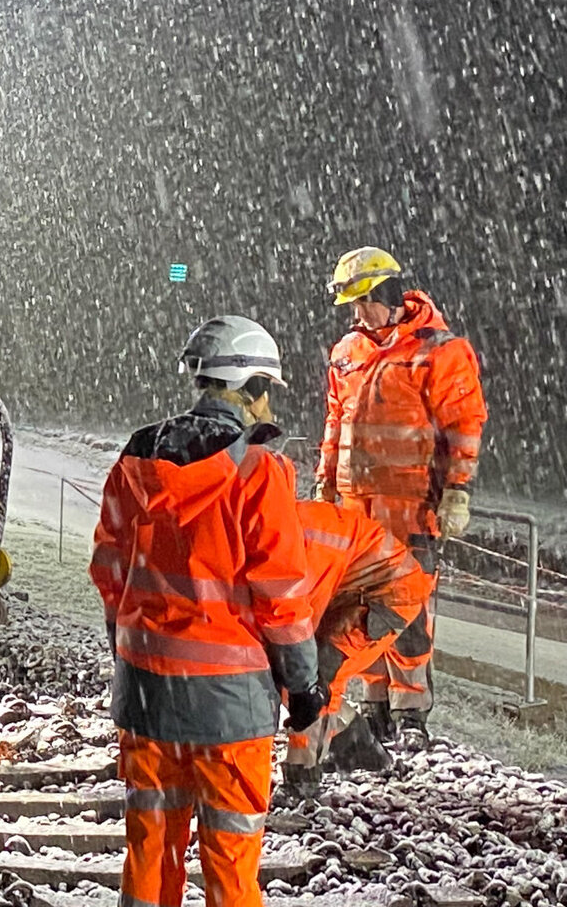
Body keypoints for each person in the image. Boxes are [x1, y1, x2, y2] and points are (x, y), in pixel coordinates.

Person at [91, 315, 325, 907]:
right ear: (249, 388)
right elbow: (281, 596)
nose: (267, 401)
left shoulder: (137, 457)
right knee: (230, 856)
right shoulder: (258, 470)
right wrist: (303, 688)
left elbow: (109, 567)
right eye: (266, 388)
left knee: (151, 844)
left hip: (146, 694)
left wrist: (132, 644)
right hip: (231, 706)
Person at [318, 247, 487, 750]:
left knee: (408, 611)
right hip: (354, 509)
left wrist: (457, 491)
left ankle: (411, 710)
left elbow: (464, 424)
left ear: (388, 295)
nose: (357, 314)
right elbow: (334, 423)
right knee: (358, 610)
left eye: (364, 302)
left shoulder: (439, 350)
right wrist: (326, 481)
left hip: (410, 505)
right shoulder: (347, 351)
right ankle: (375, 706)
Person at [279, 500, 438, 800]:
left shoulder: (292, 547)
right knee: (301, 669)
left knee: (315, 671)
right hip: (366, 583)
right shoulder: (281, 526)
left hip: (390, 590)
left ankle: (303, 776)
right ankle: (356, 745)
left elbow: (297, 631)